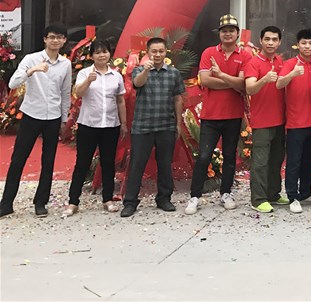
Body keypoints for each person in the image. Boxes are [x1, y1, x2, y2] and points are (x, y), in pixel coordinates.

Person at [1, 24, 72, 218]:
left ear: (64, 40)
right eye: (52, 37)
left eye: (59, 37)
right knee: (18, 159)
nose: (55, 40)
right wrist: (31, 71)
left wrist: (64, 119)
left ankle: (41, 202)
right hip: (32, 115)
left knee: (48, 161)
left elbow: (65, 93)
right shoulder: (31, 59)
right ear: (45, 39)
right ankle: (6, 203)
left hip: (53, 117)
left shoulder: (65, 64)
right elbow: (13, 83)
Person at [186, 14, 251, 215]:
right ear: (219, 34)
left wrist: (221, 76)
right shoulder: (209, 53)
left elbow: (244, 85)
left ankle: (226, 193)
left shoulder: (245, 55)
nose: (228, 34)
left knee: (230, 156)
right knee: (204, 156)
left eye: (231, 30)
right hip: (211, 115)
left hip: (233, 115)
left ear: (237, 33)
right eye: (224, 31)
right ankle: (195, 196)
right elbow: (205, 80)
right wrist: (233, 83)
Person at [121, 37, 185, 217]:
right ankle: (130, 202)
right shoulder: (139, 70)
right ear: (148, 53)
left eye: (161, 51)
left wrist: (178, 123)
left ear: (166, 52)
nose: (157, 54)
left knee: (165, 164)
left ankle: (164, 199)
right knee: (137, 164)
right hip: (143, 126)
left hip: (166, 125)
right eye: (154, 51)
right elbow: (137, 84)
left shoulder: (173, 73)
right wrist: (146, 70)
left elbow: (178, 99)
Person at [63, 39, 127, 217]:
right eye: (97, 52)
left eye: (104, 52)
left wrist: (123, 123)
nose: (101, 55)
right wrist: (88, 81)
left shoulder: (116, 75)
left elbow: (120, 100)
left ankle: (107, 199)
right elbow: (78, 93)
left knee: (108, 162)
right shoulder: (85, 73)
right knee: (82, 163)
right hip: (88, 125)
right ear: (91, 56)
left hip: (111, 125)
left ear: (109, 54)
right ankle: (73, 201)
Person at [276, 28, 311, 214]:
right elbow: (279, 84)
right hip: (295, 122)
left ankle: (305, 192)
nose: (307, 46)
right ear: (298, 45)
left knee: (309, 161)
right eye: (304, 43)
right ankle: (292, 196)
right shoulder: (290, 64)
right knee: (294, 161)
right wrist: (292, 74)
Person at [243, 26, 287, 213]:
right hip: (262, 122)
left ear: (279, 42)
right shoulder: (253, 62)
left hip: (280, 120)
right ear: (261, 41)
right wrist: (264, 79)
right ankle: (258, 199)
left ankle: (273, 194)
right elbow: (249, 88)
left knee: (276, 160)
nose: (270, 43)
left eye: (274, 39)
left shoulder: (280, 61)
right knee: (260, 162)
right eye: (267, 39)